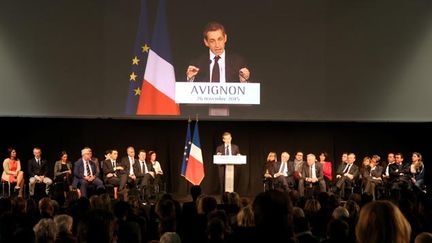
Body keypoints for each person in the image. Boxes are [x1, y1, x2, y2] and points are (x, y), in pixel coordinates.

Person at [186, 21, 251, 83]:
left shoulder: (238, 62)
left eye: (219, 39)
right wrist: (190, 79)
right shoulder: (197, 63)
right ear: (206, 42)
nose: (217, 45)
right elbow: (188, 91)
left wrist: (244, 81)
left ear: (225, 38)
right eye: (212, 41)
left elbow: (248, 91)